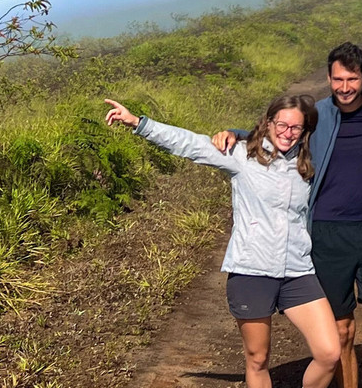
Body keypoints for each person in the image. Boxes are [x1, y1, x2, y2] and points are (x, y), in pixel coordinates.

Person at [104, 94, 340, 388]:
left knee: (329, 352)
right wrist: (139, 123)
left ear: (305, 132)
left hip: (298, 271)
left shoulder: (306, 165)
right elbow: (190, 144)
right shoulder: (243, 155)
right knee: (257, 359)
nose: (287, 133)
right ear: (268, 124)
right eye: (282, 124)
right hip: (252, 270)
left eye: (296, 128)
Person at [212, 43, 362, 388]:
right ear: (328, 78)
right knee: (342, 331)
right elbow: (280, 131)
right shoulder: (317, 114)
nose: (344, 87)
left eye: (352, 78)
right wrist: (236, 134)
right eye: (337, 79)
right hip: (328, 235)